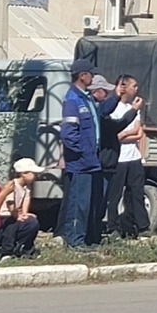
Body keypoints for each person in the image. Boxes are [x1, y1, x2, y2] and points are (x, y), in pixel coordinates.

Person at [56, 60, 114, 248]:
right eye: (90, 73)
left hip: (91, 161)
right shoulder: (73, 99)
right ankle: (74, 241)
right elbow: (68, 133)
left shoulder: (86, 98)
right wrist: (83, 152)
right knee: (78, 204)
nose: (92, 77)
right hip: (81, 162)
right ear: (82, 76)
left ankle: (84, 239)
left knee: (87, 204)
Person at [106, 75, 149, 238]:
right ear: (123, 87)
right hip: (119, 158)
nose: (136, 89)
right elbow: (114, 134)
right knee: (115, 195)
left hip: (134, 157)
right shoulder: (114, 109)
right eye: (134, 85)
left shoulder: (133, 108)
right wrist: (123, 133)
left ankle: (142, 225)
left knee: (136, 192)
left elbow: (138, 132)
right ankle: (113, 226)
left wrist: (124, 133)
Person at [0, 160, 42, 258]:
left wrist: (23, 213)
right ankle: (0, 250)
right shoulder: (12, 185)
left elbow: (21, 199)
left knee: (30, 222)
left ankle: (21, 248)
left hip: (0, 224)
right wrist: (3, 194)